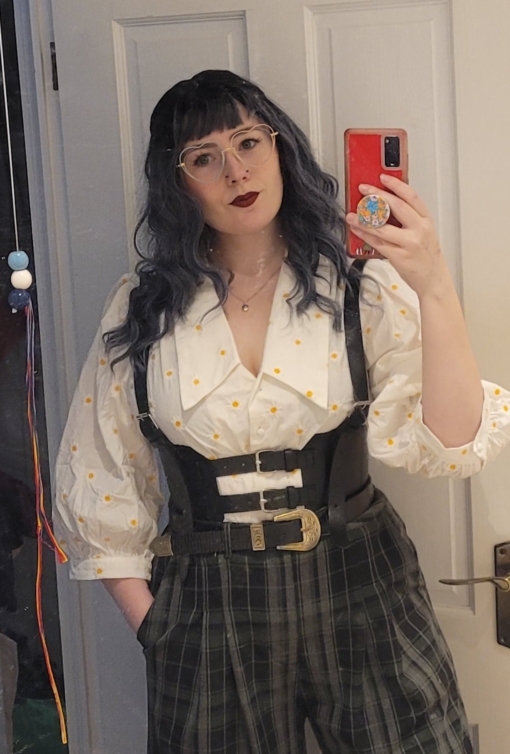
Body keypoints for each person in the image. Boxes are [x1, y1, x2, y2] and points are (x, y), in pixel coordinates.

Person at [53, 70, 510, 754]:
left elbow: (452, 440)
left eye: (248, 141)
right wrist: (157, 627)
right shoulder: (142, 308)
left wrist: (433, 283)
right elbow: (99, 470)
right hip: (207, 599)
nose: (236, 170)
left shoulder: (359, 287)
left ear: (280, 147)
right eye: (204, 157)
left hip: (360, 580)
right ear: (178, 183)